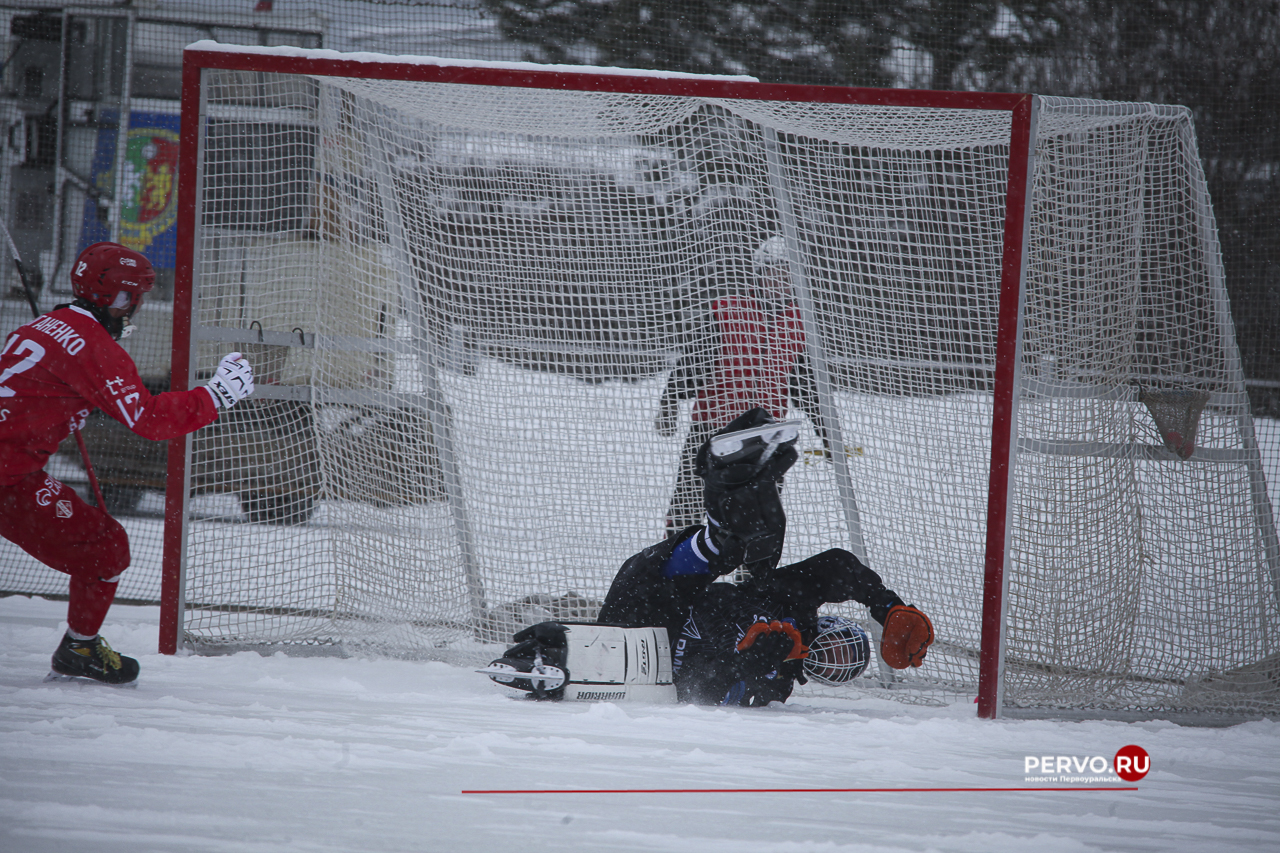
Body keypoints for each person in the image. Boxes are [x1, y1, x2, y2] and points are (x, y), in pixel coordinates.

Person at [0, 242, 255, 684]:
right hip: (9, 479)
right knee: (105, 548)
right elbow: (147, 418)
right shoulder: (93, 347)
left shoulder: (41, 326)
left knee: (101, 542)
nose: (132, 309)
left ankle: (79, 648)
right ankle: (79, 648)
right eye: (131, 298)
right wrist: (215, 397)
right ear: (113, 298)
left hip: (15, 471)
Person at [600, 407, 934, 706]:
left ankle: (729, 486)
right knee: (734, 548)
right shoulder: (793, 607)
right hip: (655, 597)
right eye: (840, 648)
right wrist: (886, 604)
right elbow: (836, 567)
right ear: (833, 625)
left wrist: (748, 663)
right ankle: (728, 474)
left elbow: (704, 695)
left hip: (641, 657)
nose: (832, 657)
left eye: (838, 667)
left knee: (730, 556)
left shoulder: (778, 684)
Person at [656, 235, 827, 534]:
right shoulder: (727, 311)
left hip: (767, 435)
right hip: (714, 428)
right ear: (760, 274)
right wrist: (670, 402)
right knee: (690, 505)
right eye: (776, 272)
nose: (782, 280)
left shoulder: (800, 322)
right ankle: (678, 570)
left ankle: (749, 578)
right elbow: (693, 361)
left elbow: (805, 384)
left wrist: (826, 432)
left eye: (789, 273)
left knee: (758, 519)